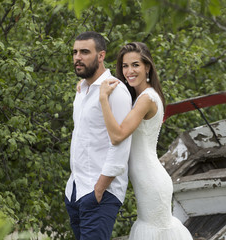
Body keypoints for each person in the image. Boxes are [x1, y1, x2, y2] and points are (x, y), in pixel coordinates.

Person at [99, 42, 193, 240]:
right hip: (146, 181)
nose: (129, 71)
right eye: (125, 66)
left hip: (152, 182)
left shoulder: (147, 98)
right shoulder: (139, 96)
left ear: (147, 67)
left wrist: (103, 100)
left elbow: (117, 136)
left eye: (135, 65)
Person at [65, 31, 132, 240]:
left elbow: (120, 143)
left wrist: (100, 188)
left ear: (101, 55)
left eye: (85, 52)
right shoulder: (82, 90)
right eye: (75, 52)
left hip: (100, 192)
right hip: (76, 189)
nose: (78, 57)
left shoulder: (115, 90)